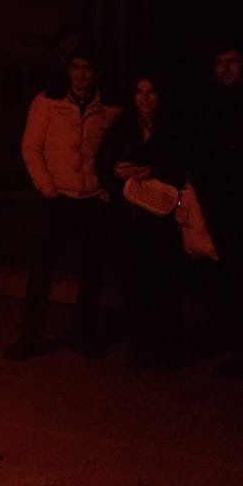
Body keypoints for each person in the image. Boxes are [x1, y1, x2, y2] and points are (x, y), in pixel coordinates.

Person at [9, 45, 120, 359]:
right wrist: (46, 187)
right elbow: (31, 147)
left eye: (87, 68)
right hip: (57, 197)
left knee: (91, 269)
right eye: (75, 68)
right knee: (42, 268)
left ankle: (83, 334)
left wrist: (106, 186)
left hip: (91, 197)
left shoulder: (107, 108)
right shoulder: (48, 102)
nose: (81, 74)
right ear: (67, 70)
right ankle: (29, 336)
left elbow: (115, 151)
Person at [189, 35, 243, 377]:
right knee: (230, 272)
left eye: (232, 62)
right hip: (222, 200)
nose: (225, 70)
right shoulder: (208, 103)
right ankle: (239, 343)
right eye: (220, 63)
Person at [96, 72, 190, 369]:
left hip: (162, 219)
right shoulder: (122, 126)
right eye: (139, 92)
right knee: (134, 282)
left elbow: (185, 165)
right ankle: (141, 345)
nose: (145, 98)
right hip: (131, 217)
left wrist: (156, 170)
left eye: (151, 92)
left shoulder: (173, 128)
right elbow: (103, 164)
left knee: (164, 283)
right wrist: (116, 170)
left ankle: (167, 348)